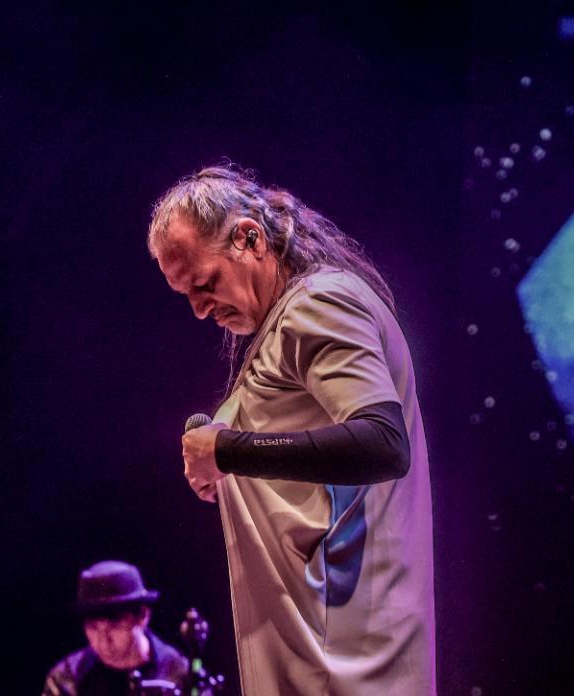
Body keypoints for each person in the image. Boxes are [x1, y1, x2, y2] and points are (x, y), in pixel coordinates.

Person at [147, 164, 436, 695]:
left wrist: (231, 450)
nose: (198, 309)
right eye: (184, 294)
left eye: (205, 283)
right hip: (319, 655)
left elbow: (382, 442)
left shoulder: (319, 305)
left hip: (344, 662)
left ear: (249, 238)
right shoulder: (284, 321)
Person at [44, 560, 189, 696]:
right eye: (93, 628)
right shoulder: (68, 678)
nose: (103, 641)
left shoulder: (179, 676)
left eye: (114, 626)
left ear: (143, 616)